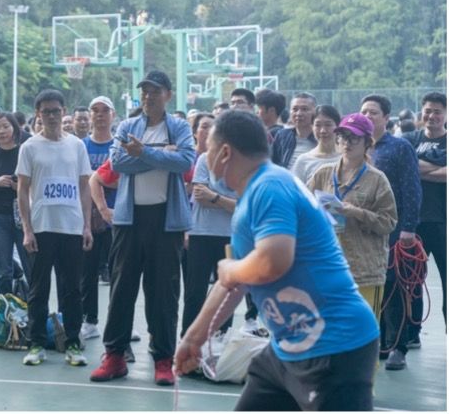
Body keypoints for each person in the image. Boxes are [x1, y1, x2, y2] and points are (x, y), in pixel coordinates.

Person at [175, 111, 380, 410]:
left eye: (209, 148)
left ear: (225, 152)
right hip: (286, 349)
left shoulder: (270, 186)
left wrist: (231, 269)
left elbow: (273, 260)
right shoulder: (251, 196)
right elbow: (233, 284)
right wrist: (194, 338)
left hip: (334, 346)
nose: (203, 157)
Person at [90, 70, 195, 386]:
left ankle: (163, 358)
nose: (148, 96)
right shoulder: (127, 126)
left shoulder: (179, 127)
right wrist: (163, 155)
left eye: (155, 91)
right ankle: (114, 356)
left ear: (168, 95)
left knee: (164, 291)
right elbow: (118, 163)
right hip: (129, 220)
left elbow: (185, 162)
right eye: (145, 91)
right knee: (121, 287)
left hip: (166, 221)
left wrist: (144, 152)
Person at [17, 89, 93, 367]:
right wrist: (27, 229)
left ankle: (72, 342)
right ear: (38, 114)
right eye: (46, 111)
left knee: (72, 289)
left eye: (56, 111)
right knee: (38, 289)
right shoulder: (29, 147)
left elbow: (84, 187)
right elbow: (22, 190)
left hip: (71, 227)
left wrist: (87, 226)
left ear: (64, 112)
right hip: (41, 228)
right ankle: (36, 343)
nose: (51, 116)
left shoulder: (77, 146)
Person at [308, 113, 397, 319]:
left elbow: (389, 222)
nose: (346, 143)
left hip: (365, 270)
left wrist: (356, 212)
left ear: (367, 142)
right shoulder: (323, 173)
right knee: (331, 327)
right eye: (343, 136)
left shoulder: (377, 179)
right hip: (328, 266)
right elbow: (303, 208)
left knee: (364, 330)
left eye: (354, 138)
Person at [360, 94, 421, 371]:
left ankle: (398, 346)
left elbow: (411, 189)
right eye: (364, 112)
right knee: (370, 285)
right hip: (363, 230)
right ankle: (380, 343)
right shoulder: (356, 146)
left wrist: (408, 228)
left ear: (386, 118)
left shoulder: (399, 147)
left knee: (393, 286)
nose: (367, 116)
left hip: (393, 229)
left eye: (373, 112)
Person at [180, 141, 238, 339]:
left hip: (231, 235)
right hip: (201, 233)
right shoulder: (205, 159)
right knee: (194, 291)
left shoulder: (244, 164)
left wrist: (213, 196)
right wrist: (228, 201)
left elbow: (243, 206)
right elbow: (199, 197)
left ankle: (221, 335)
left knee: (227, 289)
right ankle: (188, 336)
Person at [404, 92, 447, 347]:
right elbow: (408, 167)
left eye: (437, 111)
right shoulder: (410, 139)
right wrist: (439, 168)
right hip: (415, 222)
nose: (431, 116)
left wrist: (419, 169)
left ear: (446, 114)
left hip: (443, 223)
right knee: (412, 282)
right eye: (428, 110)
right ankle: (412, 333)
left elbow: (415, 168)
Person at [0, 112, 30, 297]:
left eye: (5, 126)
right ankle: (5, 308)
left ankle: (35, 307)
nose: (1, 131)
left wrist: (21, 187)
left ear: (15, 129)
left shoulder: (25, 153)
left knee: (30, 264)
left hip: (24, 215)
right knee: (3, 269)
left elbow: (37, 184)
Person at [80, 96, 116, 342]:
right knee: (88, 271)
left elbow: (122, 179)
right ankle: (89, 320)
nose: (100, 114)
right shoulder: (80, 145)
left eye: (105, 110)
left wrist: (96, 180)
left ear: (113, 115)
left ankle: (119, 321)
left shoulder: (120, 146)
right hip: (87, 217)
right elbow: (79, 179)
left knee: (119, 273)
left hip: (116, 216)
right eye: (95, 110)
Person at [290, 105, 342, 183]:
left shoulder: (347, 157)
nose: (323, 131)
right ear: (312, 127)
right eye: (318, 125)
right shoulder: (303, 161)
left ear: (338, 126)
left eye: (328, 125)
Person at [270, 92, 317, 169]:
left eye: (304, 109)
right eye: (295, 109)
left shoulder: (321, 137)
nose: (299, 113)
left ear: (315, 112)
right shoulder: (282, 136)